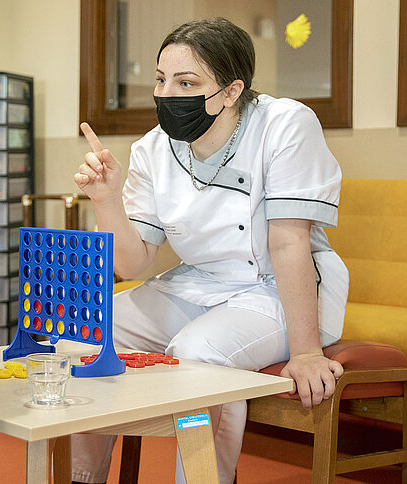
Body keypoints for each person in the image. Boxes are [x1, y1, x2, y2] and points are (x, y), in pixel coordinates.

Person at [71, 18, 348, 484]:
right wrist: (106, 199)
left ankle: (203, 479)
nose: (168, 93)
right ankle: (84, 478)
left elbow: (288, 240)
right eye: (162, 80)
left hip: (275, 290)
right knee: (87, 330)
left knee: (199, 353)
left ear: (231, 90)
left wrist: (306, 351)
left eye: (187, 82)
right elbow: (134, 263)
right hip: (196, 284)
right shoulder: (152, 149)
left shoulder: (284, 125)